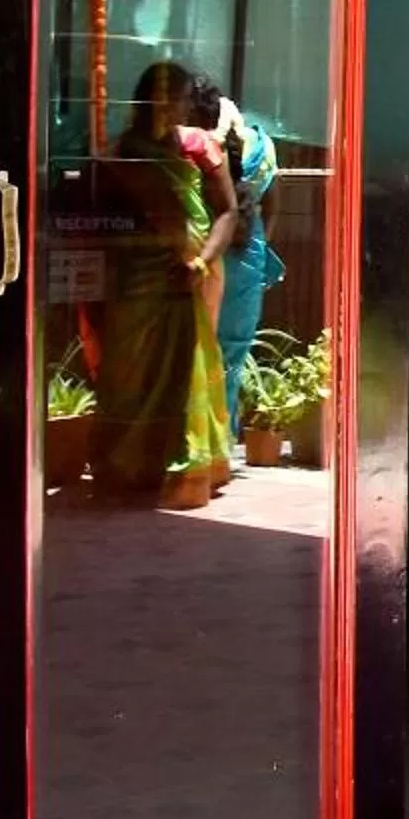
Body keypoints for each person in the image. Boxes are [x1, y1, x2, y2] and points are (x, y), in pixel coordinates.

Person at [96, 60, 237, 505]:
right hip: (137, 274)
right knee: (130, 367)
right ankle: (129, 465)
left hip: (191, 270)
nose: (168, 105)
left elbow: (228, 211)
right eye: (159, 96)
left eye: (175, 97)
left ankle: (188, 466)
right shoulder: (123, 150)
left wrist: (203, 259)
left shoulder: (197, 146)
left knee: (189, 363)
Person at [188, 72, 287, 435]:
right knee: (229, 359)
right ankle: (222, 445)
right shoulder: (260, 145)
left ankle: (193, 448)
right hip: (248, 252)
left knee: (193, 354)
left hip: (201, 253)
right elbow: (274, 201)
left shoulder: (187, 148)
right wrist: (258, 253)